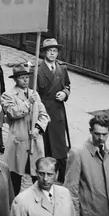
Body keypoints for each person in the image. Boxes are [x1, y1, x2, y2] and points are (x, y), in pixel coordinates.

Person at [0, 63, 49, 196]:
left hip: (34, 141)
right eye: (22, 78)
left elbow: (44, 115)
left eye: (27, 77)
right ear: (15, 80)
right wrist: (28, 103)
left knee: (37, 173)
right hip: (18, 141)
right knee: (15, 175)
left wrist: (38, 128)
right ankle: (14, 203)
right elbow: (13, 113)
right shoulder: (8, 95)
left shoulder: (34, 94)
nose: (25, 80)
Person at [35, 38, 73, 180]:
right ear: (44, 52)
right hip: (43, 109)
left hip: (58, 110)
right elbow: (34, 92)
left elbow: (67, 86)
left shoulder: (62, 68)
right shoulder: (37, 69)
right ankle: (44, 172)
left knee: (59, 142)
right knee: (44, 142)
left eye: (55, 51)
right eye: (49, 51)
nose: (52, 53)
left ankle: (62, 173)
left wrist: (64, 93)